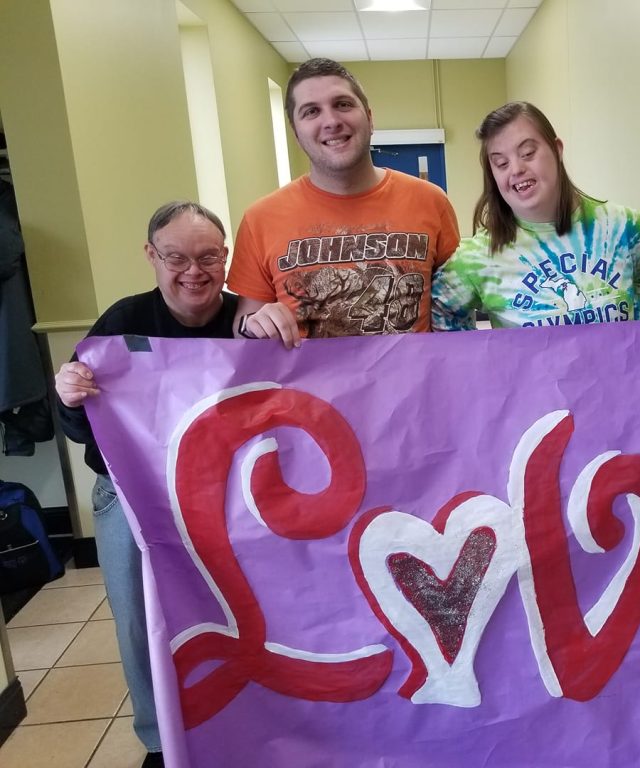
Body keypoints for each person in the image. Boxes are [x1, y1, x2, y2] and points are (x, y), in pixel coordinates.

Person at [55, 201, 240, 768]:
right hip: (131, 497)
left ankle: (245, 722)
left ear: (227, 257)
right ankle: (160, 741)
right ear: (151, 257)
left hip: (228, 497)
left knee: (237, 610)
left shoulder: (246, 320)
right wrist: (67, 393)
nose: (193, 271)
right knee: (139, 623)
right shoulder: (122, 322)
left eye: (208, 256)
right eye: (176, 257)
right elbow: (77, 420)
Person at [227, 58, 460, 345]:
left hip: (413, 387)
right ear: (296, 133)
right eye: (311, 111)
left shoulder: (431, 201)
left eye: (343, 104)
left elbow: (455, 309)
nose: (332, 121)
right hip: (307, 389)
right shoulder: (260, 219)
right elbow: (243, 325)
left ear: (370, 118)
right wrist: (254, 325)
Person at [431, 101, 640, 330]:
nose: (516, 169)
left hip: (621, 374)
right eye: (501, 163)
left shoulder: (624, 227)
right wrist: (484, 362)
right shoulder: (477, 256)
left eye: (527, 153)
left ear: (556, 150)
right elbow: (442, 309)